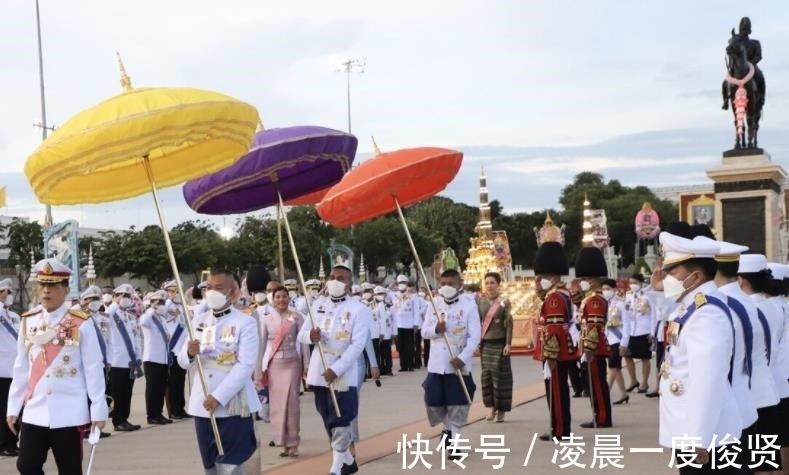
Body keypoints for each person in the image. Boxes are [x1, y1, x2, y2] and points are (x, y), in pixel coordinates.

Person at [6, 259, 108, 473]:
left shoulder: (81, 322)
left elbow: (93, 368)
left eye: (52, 285)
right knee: (27, 465)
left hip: (69, 412)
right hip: (36, 410)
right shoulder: (29, 321)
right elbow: (21, 368)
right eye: (42, 285)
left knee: (70, 469)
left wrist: (98, 408)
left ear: (65, 289)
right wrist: (14, 406)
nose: (45, 291)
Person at [658, 233, 743, 473]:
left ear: (695, 276)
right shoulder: (691, 308)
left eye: (672, 272)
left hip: (706, 438)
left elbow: (708, 379)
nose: (667, 279)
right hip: (691, 430)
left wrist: (699, 438)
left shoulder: (706, 314)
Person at [179, 269, 261, 475]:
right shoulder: (198, 321)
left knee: (231, 464)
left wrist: (219, 396)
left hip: (232, 403)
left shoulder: (245, 322)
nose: (211, 292)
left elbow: (245, 365)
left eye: (219, 288)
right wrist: (189, 353)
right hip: (202, 403)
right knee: (210, 464)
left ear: (232, 292)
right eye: (208, 287)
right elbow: (182, 361)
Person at [298, 264, 367, 475]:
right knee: (328, 418)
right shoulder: (317, 304)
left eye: (341, 278)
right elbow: (301, 335)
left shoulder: (358, 309)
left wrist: (337, 370)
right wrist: (311, 336)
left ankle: (336, 468)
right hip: (320, 371)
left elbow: (357, 345)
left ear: (349, 283)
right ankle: (347, 460)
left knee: (342, 418)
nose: (336, 281)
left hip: (343, 373)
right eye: (333, 277)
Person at [421, 269, 479, 460]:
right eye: (443, 283)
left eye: (450, 283)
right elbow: (424, 331)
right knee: (434, 401)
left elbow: (474, 336)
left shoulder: (469, 305)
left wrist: (463, 357)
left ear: (459, 284)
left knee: (458, 403)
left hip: (458, 361)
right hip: (437, 362)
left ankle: (455, 443)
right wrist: (436, 329)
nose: (446, 287)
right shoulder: (434, 304)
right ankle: (447, 428)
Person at [740, 257, 785, 473]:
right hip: (768, 390)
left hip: (752, 397)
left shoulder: (748, 309)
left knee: (755, 464)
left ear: (741, 281)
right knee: (764, 460)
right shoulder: (773, 306)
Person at [259, 286, 309, 458]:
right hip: (274, 365)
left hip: (292, 362)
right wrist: (258, 370)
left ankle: (293, 442)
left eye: (284, 296)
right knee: (277, 404)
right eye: (278, 296)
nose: (281, 300)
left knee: (292, 402)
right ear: (273, 299)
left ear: (289, 298)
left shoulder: (296, 317)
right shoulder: (267, 319)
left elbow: (303, 343)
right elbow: (261, 345)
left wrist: (306, 364)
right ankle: (282, 442)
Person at [533, 240, 576, 441]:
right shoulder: (558, 293)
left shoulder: (555, 297)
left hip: (555, 351)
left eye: (541, 276)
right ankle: (558, 426)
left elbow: (555, 328)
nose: (539, 280)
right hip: (558, 349)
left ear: (551, 275)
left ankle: (560, 430)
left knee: (557, 391)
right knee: (556, 389)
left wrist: (550, 354)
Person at [574, 247, 612, 429]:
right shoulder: (590, 298)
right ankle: (599, 414)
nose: (583, 282)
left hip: (594, 348)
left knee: (597, 383)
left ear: (593, 280)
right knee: (594, 382)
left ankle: (602, 417)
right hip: (592, 347)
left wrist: (588, 348)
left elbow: (595, 326)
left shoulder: (595, 300)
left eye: (586, 279)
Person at [106, 283, 143, 431]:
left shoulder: (130, 316)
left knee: (128, 392)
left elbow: (136, 338)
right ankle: (118, 421)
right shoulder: (111, 314)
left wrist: (138, 356)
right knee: (119, 393)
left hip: (130, 361)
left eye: (128, 296)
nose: (126, 298)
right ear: (115, 297)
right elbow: (108, 312)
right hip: (117, 361)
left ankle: (124, 419)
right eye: (122, 295)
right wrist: (116, 302)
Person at [478, 272, 513, 423]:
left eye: (492, 283)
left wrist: (508, 343)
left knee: (501, 378)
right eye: (487, 283)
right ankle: (491, 408)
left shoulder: (504, 302)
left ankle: (502, 410)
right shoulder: (480, 302)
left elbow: (509, 324)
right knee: (487, 378)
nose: (489, 286)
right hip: (486, 345)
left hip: (500, 344)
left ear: (498, 284)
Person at [140, 290, 175, 425]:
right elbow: (142, 322)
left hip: (163, 358)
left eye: (163, 302)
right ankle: (152, 415)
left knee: (160, 388)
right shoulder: (148, 317)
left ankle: (159, 413)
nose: (162, 305)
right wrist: (151, 308)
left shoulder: (162, 318)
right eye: (159, 302)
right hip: (152, 358)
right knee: (152, 389)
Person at [620, 273, 654, 394]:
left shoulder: (648, 295)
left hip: (644, 330)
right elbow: (625, 314)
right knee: (627, 356)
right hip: (631, 331)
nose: (632, 285)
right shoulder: (628, 296)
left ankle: (644, 383)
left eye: (635, 282)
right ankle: (633, 380)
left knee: (645, 357)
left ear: (641, 283)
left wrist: (652, 331)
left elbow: (654, 314)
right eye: (630, 283)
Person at [0, 278, 20, 456]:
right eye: (6, 292)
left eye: (10, 292)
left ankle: (13, 442)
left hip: (15, 370)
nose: (9, 295)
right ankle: (4, 444)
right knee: (3, 410)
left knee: (16, 409)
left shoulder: (14, 317)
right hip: (2, 370)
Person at [601, 279, 628, 405]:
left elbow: (627, 325)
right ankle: (623, 394)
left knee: (612, 367)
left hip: (619, 339)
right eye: (603, 289)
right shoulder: (605, 303)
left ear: (614, 289)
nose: (605, 291)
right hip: (609, 340)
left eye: (607, 289)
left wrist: (624, 343)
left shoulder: (621, 304)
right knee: (616, 368)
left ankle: (605, 393)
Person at [393, 275, 417, 372]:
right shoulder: (394, 295)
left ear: (407, 284)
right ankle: (403, 365)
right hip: (398, 324)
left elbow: (416, 311)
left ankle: (410, 365)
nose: (401, 285)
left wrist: (416, 323)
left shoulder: (412, 296)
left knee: (410, 346)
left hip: (409, 324)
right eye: (400, 283)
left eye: (403, 283)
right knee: (400, 346)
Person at [374, 286, 394, 376]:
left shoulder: (389, 305)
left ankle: (388, 369)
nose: (380, 296)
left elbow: (394, 319)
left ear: (385, 294)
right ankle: (381, 369)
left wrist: (394, 332)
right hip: (376, 333)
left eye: (381, 294)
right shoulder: (372, 305)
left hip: (387, 333)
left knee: (387, 353)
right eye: (378, 294)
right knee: (379, 353)